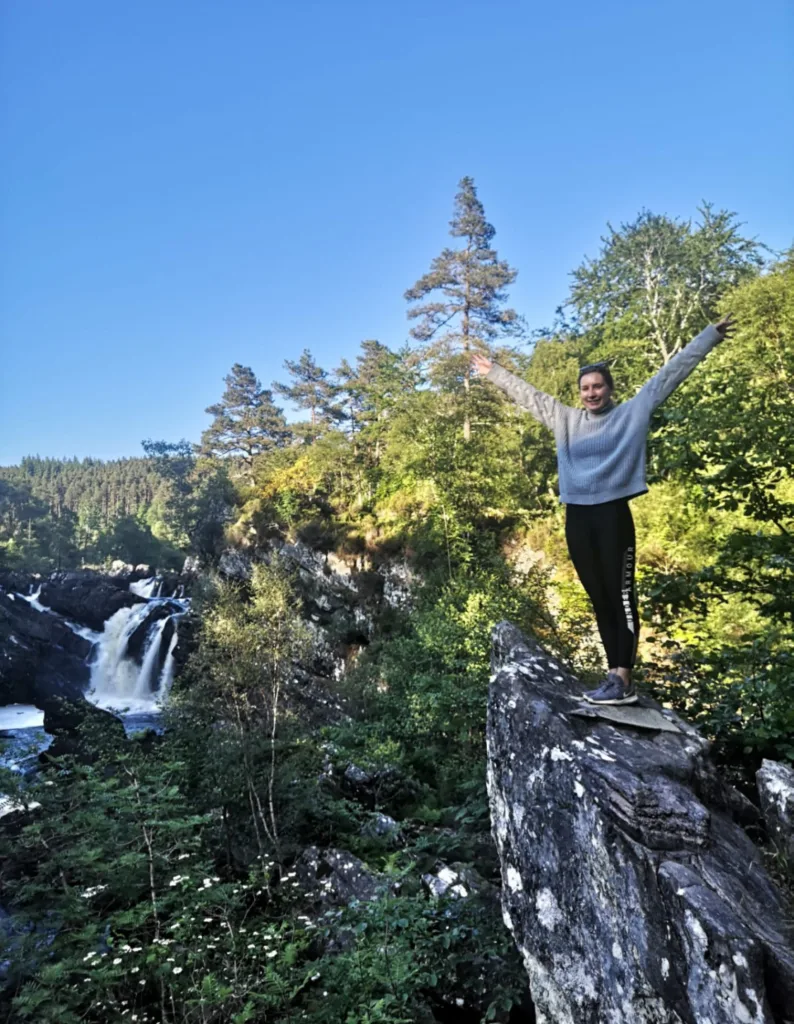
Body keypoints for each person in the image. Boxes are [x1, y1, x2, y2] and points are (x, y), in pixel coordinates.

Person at [471, 316, 736, 705]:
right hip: (577, 517)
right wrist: (494, 372)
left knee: (621, 596)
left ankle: (623, 679)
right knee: (598, 595)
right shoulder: (566, 420)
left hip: (612, 515)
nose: (591, 393)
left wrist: (709, 336)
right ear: (579, 393)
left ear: (610, 389)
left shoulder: (631, 413)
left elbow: (669, 375)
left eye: (598, 386)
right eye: (585, 388)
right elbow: (529, 395)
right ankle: (612, 674)